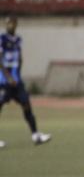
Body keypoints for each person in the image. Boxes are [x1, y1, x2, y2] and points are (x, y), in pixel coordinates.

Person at [0, 15, 51, 147]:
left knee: (26, 104)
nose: (9, 25)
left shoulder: (18, 40)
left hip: (16, 81)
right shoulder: (2, 39)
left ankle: (35, 135)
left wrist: (17, 75)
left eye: (12, 23)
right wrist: (8, 77)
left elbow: (19, 58)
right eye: (7, 23)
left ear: (16, 24)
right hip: (4, 81)